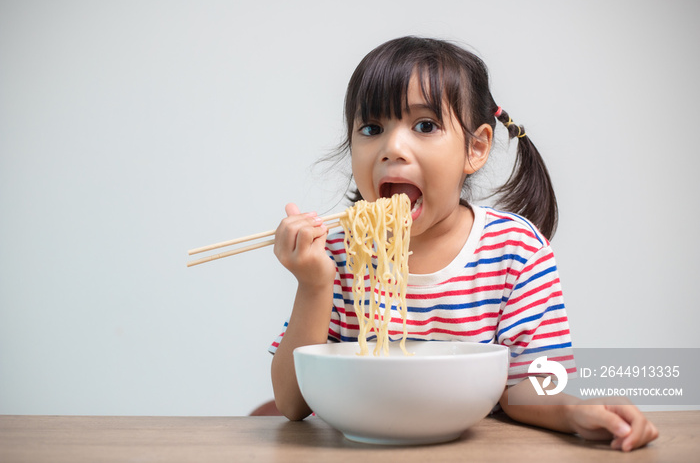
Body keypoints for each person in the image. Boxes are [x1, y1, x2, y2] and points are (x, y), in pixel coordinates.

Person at [268, 36, 658, 451]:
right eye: (371, 128)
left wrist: (573, 413)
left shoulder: (515, 251)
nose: (392, 148)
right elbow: (291, 403)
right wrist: (314, 285)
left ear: (476, 148)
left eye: (424, 126)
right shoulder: (338, 253)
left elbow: (524, 388)